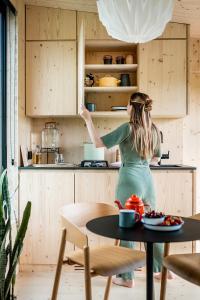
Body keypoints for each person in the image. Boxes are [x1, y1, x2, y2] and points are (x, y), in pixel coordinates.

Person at [80, 92, 166, 288]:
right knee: (152, 225)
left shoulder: (127, 128)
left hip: (129, 181)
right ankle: (162, 271)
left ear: (131, 108)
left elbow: (98, 143)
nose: (126, 107)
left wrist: (88, 118)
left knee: (129, 227)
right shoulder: (153, 129)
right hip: (148, 182)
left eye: (127, 104)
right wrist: (139, 163)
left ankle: (126, 278)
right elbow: (156, 158)